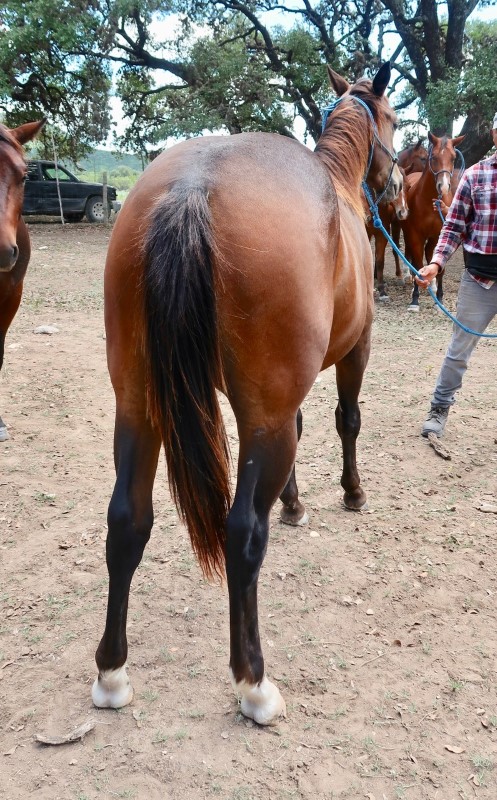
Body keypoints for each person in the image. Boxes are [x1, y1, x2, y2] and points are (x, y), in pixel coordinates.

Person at [416, 113, 497, 437]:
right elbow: (453, 227)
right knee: (459, 351)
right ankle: (439, 407)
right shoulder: (476, 176)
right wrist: (435, 263)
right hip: (479, 280)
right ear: (494, 134)